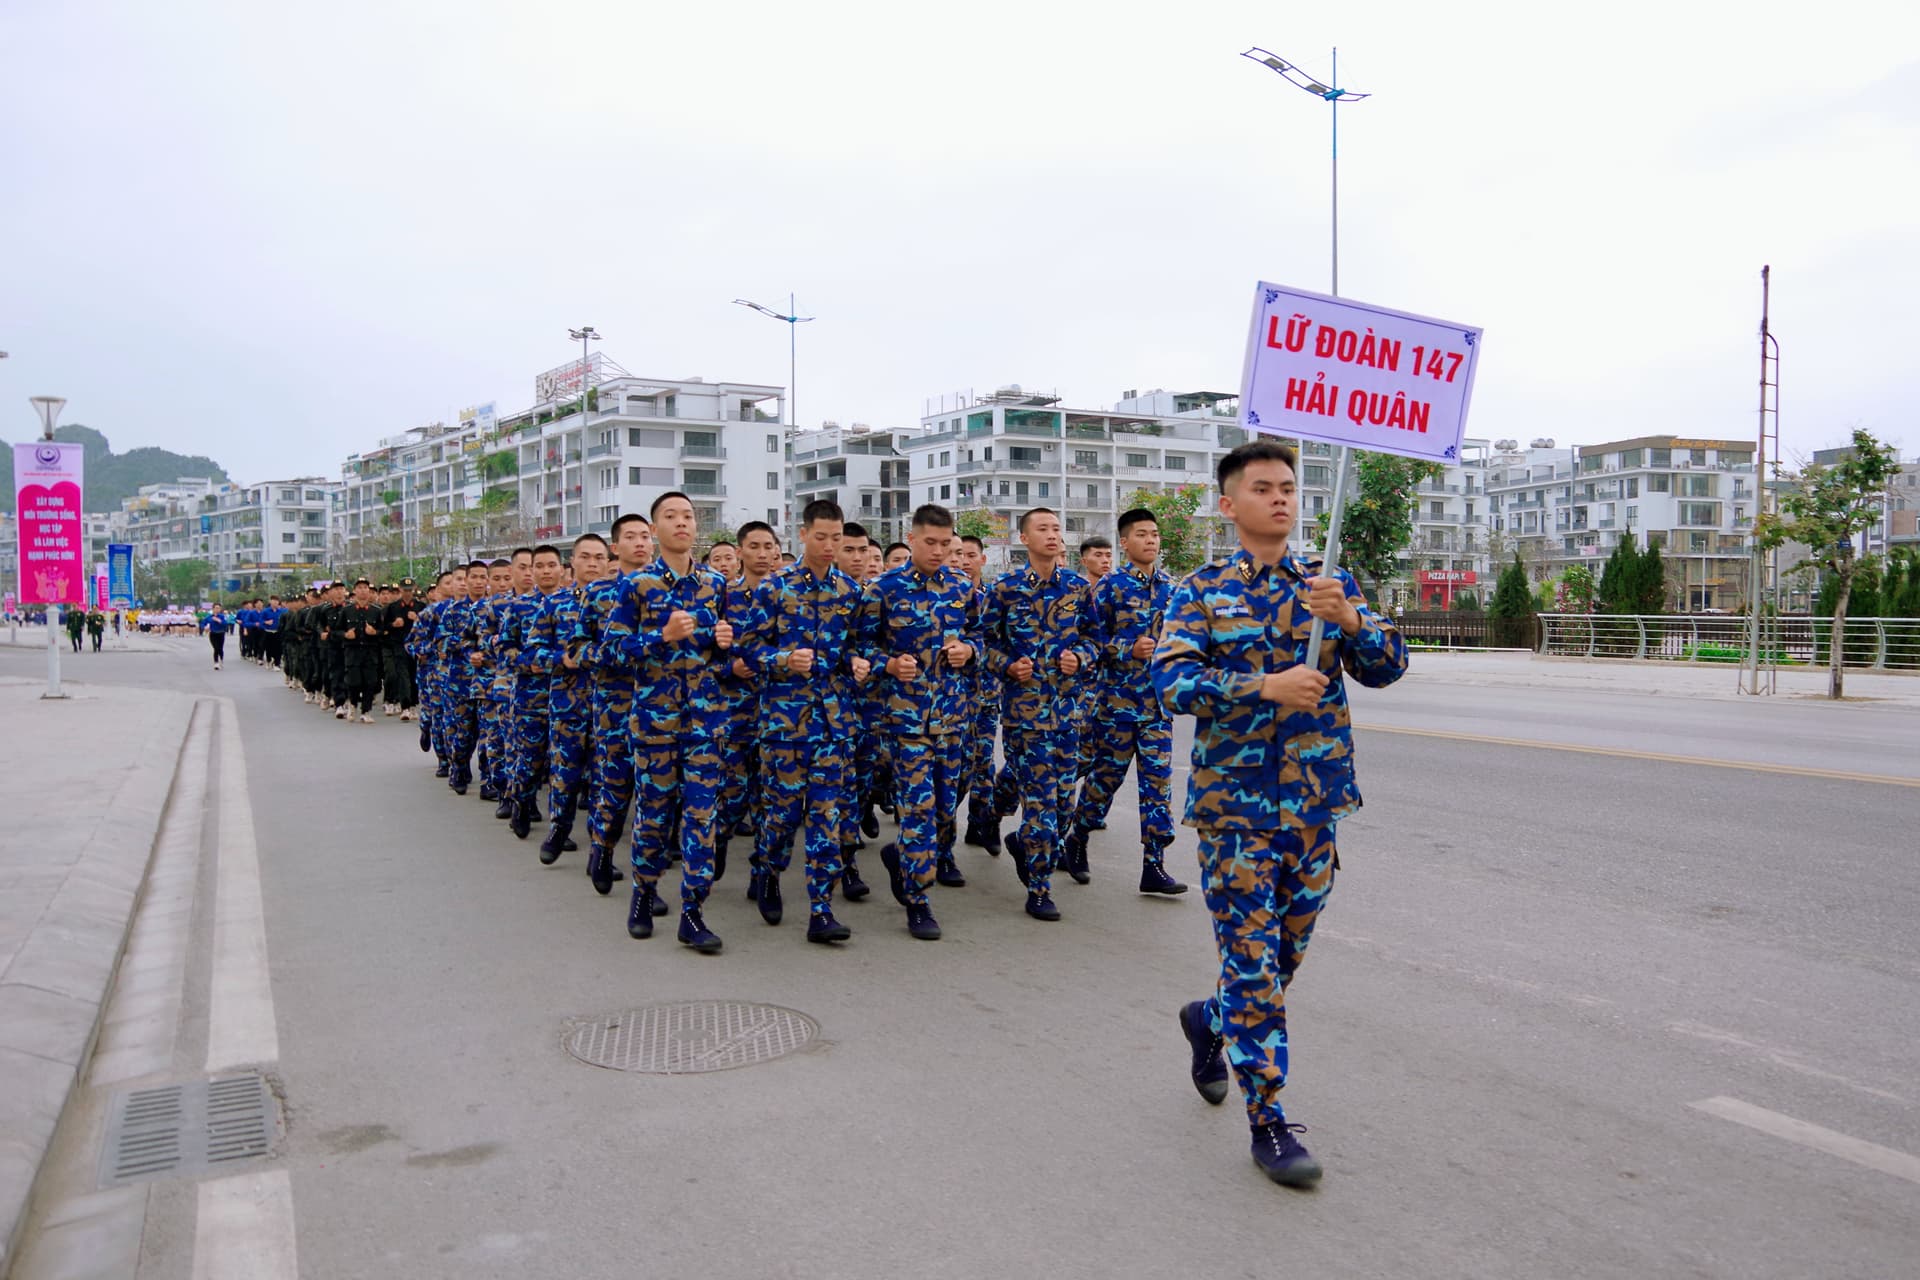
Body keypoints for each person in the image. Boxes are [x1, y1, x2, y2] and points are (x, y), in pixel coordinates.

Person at [1154, 440, 1407, 1188]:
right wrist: (1261, 687)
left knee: (1283, 958)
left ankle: (1211, 1018)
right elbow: (1171, 682)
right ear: (1229, 505)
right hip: (1236, 814)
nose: (1280, 498)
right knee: (1256, 971)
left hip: (1314, 808)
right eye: (1262, 487)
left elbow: (1390, 669)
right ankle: (1268, 1120)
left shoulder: (1330, 583)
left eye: (1289, 487)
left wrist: (1355, 622)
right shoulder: (1200, 590)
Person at [597, 493, 733, 952]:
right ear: (654, 530)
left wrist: (726, 642)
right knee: (653, 813)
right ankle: (644, 891)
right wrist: (661, 635)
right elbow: (611, 652)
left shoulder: (717, 583)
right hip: (654, 721)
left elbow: (733, 653)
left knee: (700, 815)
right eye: (671, 517)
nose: (682, 523)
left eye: (689, 517)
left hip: (705, 722)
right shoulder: (636, 586)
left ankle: (693, 912)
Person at [737, 500, 870, 943]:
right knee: (780, 815)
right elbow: (749, 650)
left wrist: (857, 662)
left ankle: (820, 908)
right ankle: (768, 871)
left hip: (833, 724)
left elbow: (854, 645)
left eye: (837, 538)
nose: (830, 546)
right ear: (803, 534)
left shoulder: (850, 593)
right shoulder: (775, 589)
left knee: (826, 818)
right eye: (822, 537)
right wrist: (783, 659)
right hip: (785, 725)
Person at [858, 504, 980, 939]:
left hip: (952, 717)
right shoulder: (883, 589)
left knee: (946, 811)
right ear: (911, 540)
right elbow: (860, 648)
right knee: (920, 811)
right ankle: (919, 899)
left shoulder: (963, 587)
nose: (938, 551)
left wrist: (970, 651)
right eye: (930, 543)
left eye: (946, 544)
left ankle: (903, 857)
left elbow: (982, 635)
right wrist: (888, 665)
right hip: (905, 721)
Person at [983, 507, 1094, 922]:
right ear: (1024, 539)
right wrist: (1008, 664)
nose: (1052, 535)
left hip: (1067, 713)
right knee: (1041, 805)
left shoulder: (1078, 588)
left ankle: (1025, 845)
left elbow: (1094, 639)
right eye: (1042, 529)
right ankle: (1039, 886)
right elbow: (982, 642)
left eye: (1056, 528)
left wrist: (1079, 657)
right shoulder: (1005, 589)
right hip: (1024, 717)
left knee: (1065, 804)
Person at [1067, 510, 1186, 895]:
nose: (1151, 540)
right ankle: (1078, 837)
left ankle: (1154, 865)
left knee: (1158, 786)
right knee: (1105, 780)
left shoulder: (1172, 588)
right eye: (1142, 534)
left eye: (1154, 534)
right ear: (1125, 543)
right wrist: (1126, 648)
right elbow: (1087, 643)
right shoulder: (1107, 588)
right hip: (1116, 705)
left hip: (1157, 707)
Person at [574, 515, 651, 894]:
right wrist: (611, 653)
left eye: (645, 536)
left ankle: (645, 882)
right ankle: (602, 848)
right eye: (630, 537)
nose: (640, 543)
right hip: (615, 706)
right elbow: (577, 648)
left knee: (655, 797)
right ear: (615, 548)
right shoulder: (599, 593)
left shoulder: (670, 589)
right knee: (616, 787)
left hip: (662, 705)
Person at [534, 535, 607, 862]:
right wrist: (558, 659)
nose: (592, 564)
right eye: (586, 557)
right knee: (565, 775)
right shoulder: (555, 604)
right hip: (568, 704)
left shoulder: (621, 602)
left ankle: (599, 853)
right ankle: (559, 828)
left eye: (599, 558)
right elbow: (533, 648)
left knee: (605, 784)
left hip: (610, 707)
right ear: (572, 563)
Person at [338, 579, 385, 722]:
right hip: (352, 652)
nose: (363, 590)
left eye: (366, 587)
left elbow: (383, 631)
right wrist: (346, 635)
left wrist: (375, 632)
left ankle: (366, 711)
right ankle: (352, 704)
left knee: (370, 682)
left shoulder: (376, 611)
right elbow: (336, 630)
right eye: (360, 587)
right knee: (354, 682)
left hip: (370, 652)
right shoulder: (346, 611)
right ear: (355, 591)